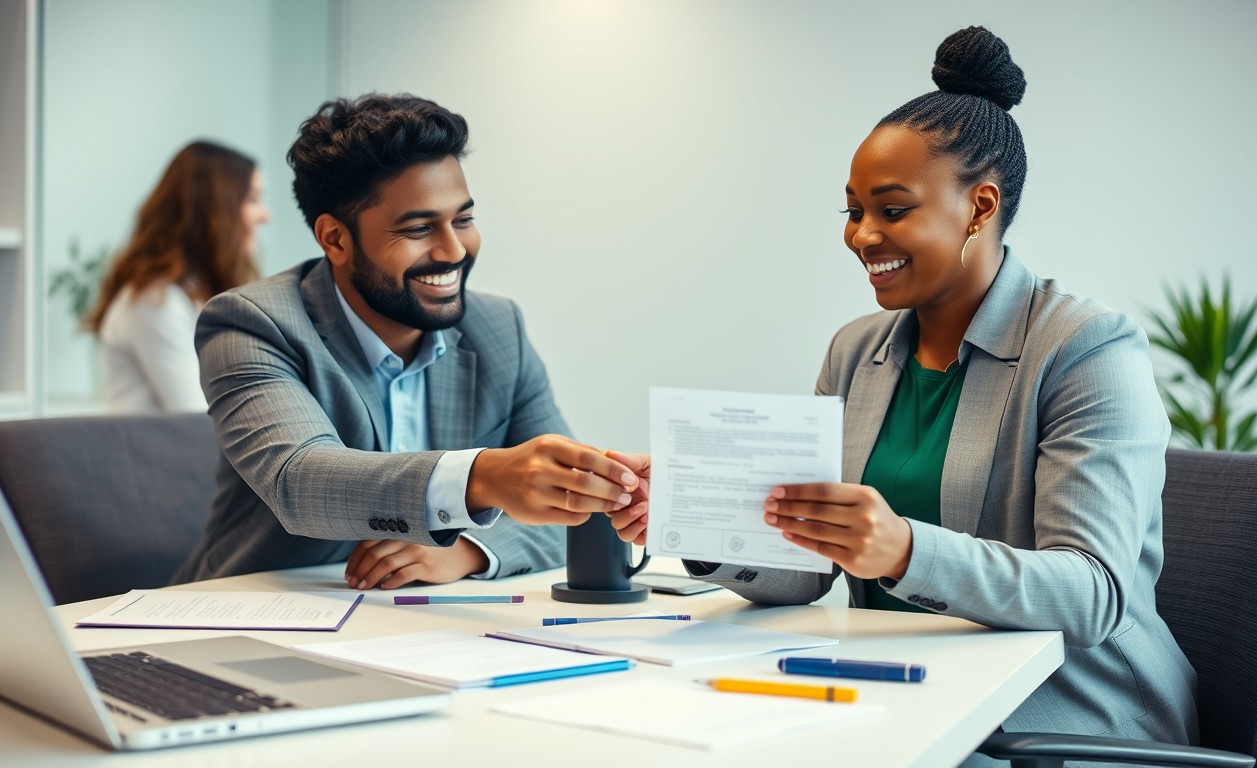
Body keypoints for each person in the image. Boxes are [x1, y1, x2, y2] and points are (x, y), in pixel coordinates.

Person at [607, 26, 1197, 752]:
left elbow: (1091, 596)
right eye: (853, 211)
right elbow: (806, 570)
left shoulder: (1087, 351)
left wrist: (904, 550)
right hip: (904, 696)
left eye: (891, 210)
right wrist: (692, 520)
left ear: (980, 207)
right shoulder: (857, 351)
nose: (861, 236)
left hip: (1065, 724)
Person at [175, 93, 638, 590]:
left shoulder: (499, 329)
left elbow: (557, 510)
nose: (455, 250)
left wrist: (467, 549)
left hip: (420, 627)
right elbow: (301, 480)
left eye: (463, 220)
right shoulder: (252, 323)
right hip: (261, 608)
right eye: (419, 228)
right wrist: (483, 478)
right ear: (335, 239)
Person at [89, 141, 270, 413]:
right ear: (216, 211)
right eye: (252, 199)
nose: (265, 216)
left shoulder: (195, 297)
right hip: (167, 455)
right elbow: (200, 420)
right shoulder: (154, 302)